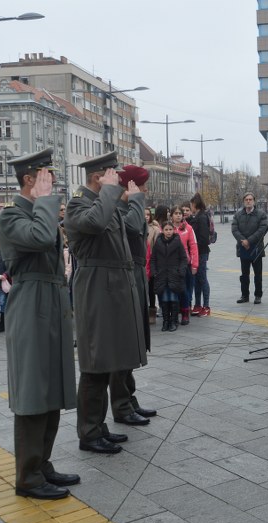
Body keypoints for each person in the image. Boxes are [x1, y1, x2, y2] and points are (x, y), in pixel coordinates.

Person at [0, 147, 78, 500]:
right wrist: (44, 201)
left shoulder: (39, 212)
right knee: (33, 392)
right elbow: (42, 238)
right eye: (46, 177)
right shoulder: (10, 216)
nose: (53, 184)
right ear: (30, 179)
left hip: (53, 301)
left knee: (53, 388)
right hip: (30, 304)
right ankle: (27, 476)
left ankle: (42, 464)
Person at [64, 151, 148, 454]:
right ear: (98, 176)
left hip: (113, 287)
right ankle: (88, 433)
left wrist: (123, 197)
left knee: (108, 361)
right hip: (96, 288)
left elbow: (134, 227)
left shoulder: (106, 203)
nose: (117, 178)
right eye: (112, 173)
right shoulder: (78, 205)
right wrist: (112, 192)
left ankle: (99, 427)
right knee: (95, 364)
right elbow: (96, 223)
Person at [112, 165, 157, 422]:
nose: (145, 191)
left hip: (137, 276)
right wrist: (135, 200)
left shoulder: (129, 208)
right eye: (141, 186)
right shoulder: (119, 211)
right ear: (130, 187)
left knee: (133, 344)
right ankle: (121, 406)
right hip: (126, 280)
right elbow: (130, 227)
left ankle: (129, 399)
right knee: (124, 346)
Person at [231, 192, 268, 304]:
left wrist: (249, 240)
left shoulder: (261, 214)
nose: (248, 201)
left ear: (254, 201)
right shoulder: (238, 215)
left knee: (258, 274)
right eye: (246, 199)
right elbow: (234, 229)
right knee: (244, 274)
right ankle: (244, 295)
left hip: (256, 248)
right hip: (243, 248)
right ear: (244, 201)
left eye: (250, 199)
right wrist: (243, 241)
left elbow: (262, 230)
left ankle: (258, 295)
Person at [151, 221, 188, 332]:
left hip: (174, 275)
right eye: (166, 230)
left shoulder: (178, 242)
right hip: (162, 275)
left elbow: (183, 258)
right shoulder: (158, 243)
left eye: (170, 229)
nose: (168, 232)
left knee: (173, 298)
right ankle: (166, 321)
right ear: (162, 230)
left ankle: (173, 321)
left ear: (173, 230)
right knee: (164, 299)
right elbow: (153, 259)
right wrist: (154, 271)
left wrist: (180, 270)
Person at [170, 206, 198, 325]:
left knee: (184, 290)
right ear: (171, 215)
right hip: (170, 264)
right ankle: (174, 314)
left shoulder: (188, 228)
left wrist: (194, 265)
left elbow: (194, 246)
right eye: (175, 213)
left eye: (180, 213)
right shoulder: (167, 228)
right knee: (172, 290)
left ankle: (185, 313)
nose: (178, 215)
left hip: (185, 264)